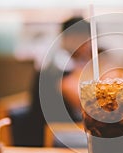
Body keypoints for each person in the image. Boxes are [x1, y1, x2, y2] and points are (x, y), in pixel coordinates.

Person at [26, 17, 91, 146]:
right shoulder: (59, 63)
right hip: (50, 136)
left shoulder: (58, 59)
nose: (88, 46)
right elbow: (84, 102)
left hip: (59, 131)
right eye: (87, 40)